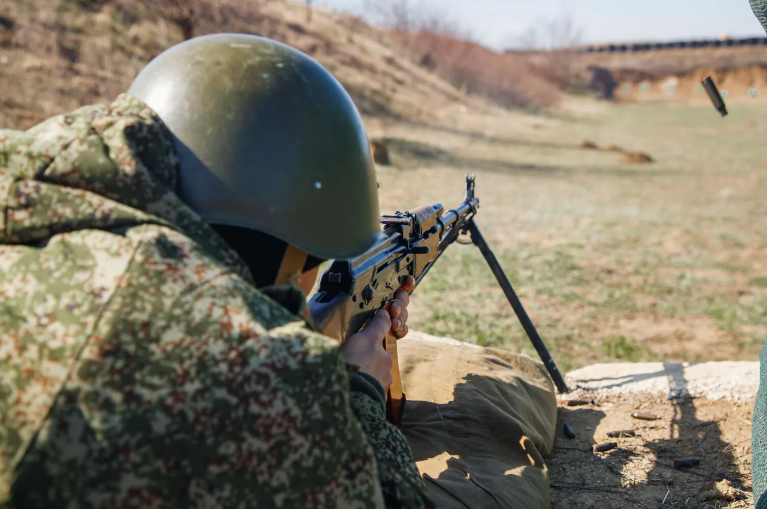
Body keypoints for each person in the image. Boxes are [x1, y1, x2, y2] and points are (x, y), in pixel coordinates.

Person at [0, 33, 557, 508]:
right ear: (280, 241)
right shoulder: (259, 369)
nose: (312, 282)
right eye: (312, 264)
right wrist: (361, 383)